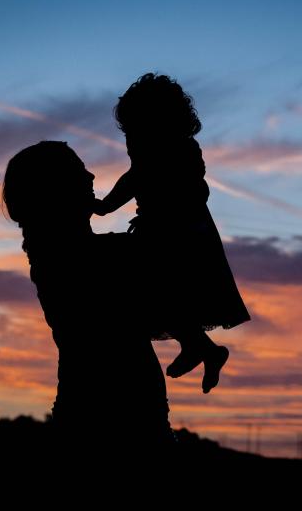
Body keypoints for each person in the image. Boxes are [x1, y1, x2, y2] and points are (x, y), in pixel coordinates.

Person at [1, 140, 177, 466]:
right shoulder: (69, 260)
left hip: (120, 423)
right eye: (78, 171)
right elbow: (161, 251)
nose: (91, 176)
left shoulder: (75, 255)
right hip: (107, 430)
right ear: (56, 189)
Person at [93, 72, 251, 394]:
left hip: (175, 232)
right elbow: (137, 176)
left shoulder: (173, 148)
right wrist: (110, 204)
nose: (130, 142)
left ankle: (203, 349)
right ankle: (203, 348)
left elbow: (142, 179)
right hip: (171, 228)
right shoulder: (173, 146)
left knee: (159, 290)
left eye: (134, 132)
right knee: (165, 296)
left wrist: (109, 204)